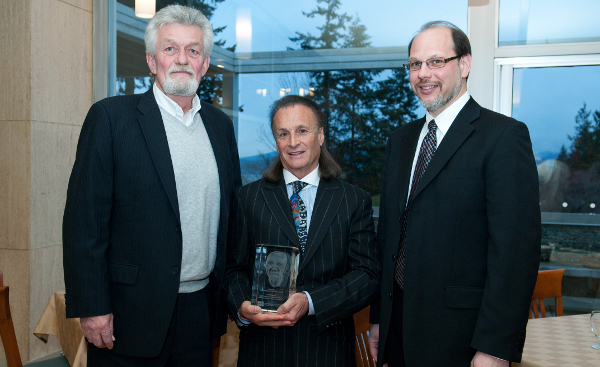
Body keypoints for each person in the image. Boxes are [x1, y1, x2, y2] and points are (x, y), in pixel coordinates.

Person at [62, 5, 241, 367]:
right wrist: (93, 307)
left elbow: (232, 218)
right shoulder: (111, 118)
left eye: (193, 50)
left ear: (204, 64)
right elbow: (84, 222)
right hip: (128, 313)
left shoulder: (220, 127)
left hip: (200, 311)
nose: (181, 59)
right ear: (151, 60)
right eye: (169, 48)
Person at [368, 21, 541, 367]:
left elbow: (515, 254)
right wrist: (379, 320)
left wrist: (495, 347)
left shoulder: (503, 137)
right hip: (398, 330)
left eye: (436, 61)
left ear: (464, 64)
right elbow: (387, 238)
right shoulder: (400, 141)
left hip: (464, 338)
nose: (422, 74)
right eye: (415, 64)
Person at [225, 95, 379, 367]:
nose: (293, 142)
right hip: (263, 351)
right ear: (276, 140)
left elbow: (366, 276)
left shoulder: (353, 200)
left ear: (320, 135)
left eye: (302, 131)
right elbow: (232, 269)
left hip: (327, 351)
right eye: (283, 133)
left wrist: (311, 302)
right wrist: (242, 306)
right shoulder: (248, 198)